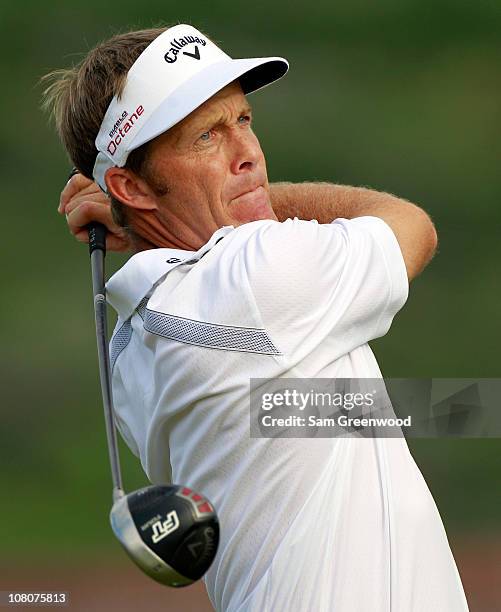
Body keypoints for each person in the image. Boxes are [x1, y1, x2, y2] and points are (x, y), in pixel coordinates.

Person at [45, 23, 469, 611]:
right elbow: (410, 226)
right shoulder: (252, 276)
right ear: (130, 185)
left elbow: (315, 415)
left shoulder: (132, 346)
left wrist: (136, 214)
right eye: (207, 137)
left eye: (242, 120)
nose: (248, 153)